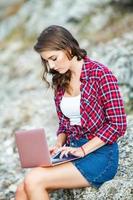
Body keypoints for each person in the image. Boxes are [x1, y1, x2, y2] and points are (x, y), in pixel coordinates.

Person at [15, 25, 127, 200]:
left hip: (99, 155)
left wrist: (83, 149)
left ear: (67, 47)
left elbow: (118, 125)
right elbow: (64, 124)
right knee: (22, 189)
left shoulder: (101, 75)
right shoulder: (61, 79)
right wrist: (59, 145)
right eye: (46, 61)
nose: (51, 66)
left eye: (53, 58)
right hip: (71, 150)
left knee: (33, 180)